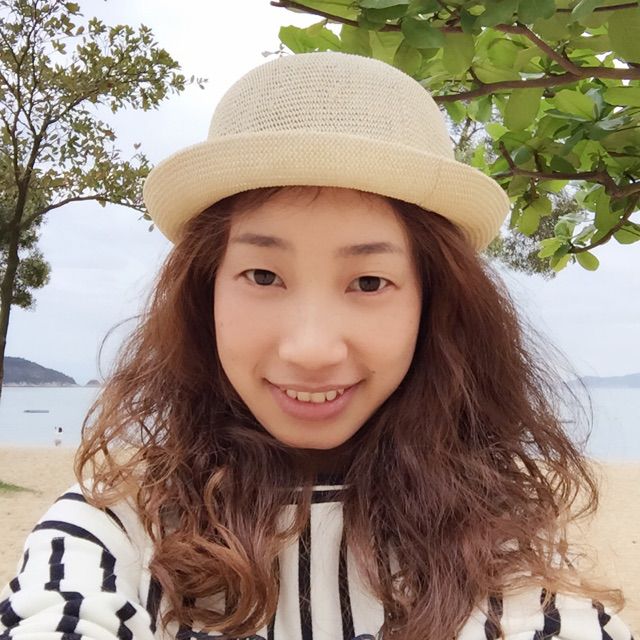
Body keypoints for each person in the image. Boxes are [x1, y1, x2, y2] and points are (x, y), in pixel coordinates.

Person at [0, 52, 634, 640]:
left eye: (369, 282)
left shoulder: (501, 543)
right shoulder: (113, 530)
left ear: (433, 304)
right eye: (263, 276)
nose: (310, 349)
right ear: (205, 292)